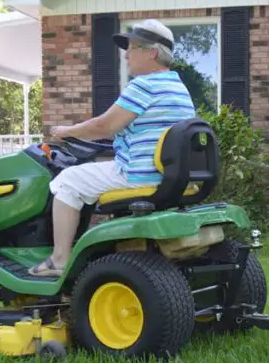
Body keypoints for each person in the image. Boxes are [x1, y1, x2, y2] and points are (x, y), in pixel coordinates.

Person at [29, 19, 196, 277]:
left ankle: (59, 259)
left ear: (152, 53)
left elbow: (104, 126)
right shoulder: (178, 87)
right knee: (85, 175)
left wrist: (66, 132)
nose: (126, 55)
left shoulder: (144, 85)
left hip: (138, 173)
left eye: (133, 48)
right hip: (166, 174)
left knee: (67, 181)